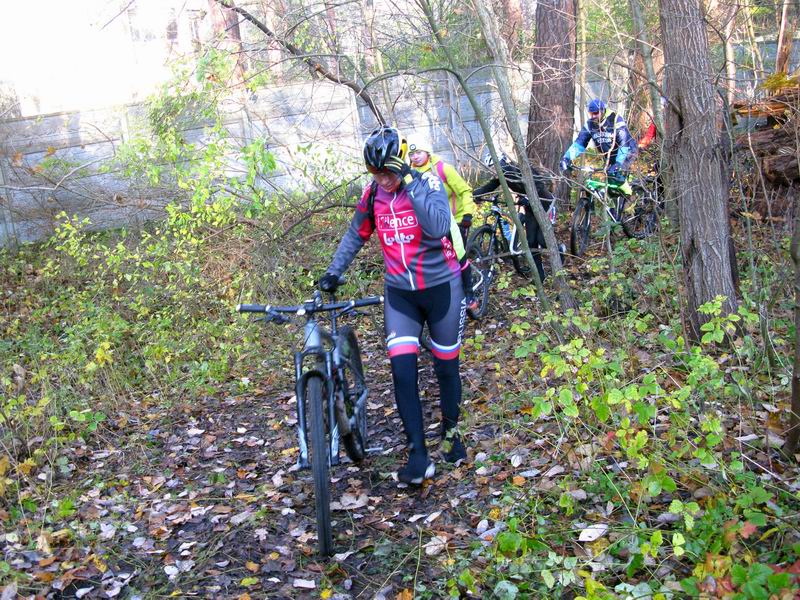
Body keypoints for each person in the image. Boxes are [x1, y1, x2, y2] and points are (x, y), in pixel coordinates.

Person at [318, 126, 467, 485]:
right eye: (375, 172)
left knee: (446, 368)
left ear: (400, 163)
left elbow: (437, 226)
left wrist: (410, 182)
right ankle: (418, 454)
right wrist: (334, 271)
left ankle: (451, 434)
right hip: (400, 295)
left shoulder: (428, 184)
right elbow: (356, 233)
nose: (382, 179)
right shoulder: (373, 195)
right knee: (402, 371)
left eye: (387, 171)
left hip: (442, 289)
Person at [408, 138, 479, 312]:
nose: (415, 157)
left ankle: (469, 293)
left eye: (419, 152)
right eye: (411, 154)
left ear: (427, 152)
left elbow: (465, 191)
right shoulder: (408, 174)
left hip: (456, 220)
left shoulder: (443, 169)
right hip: (429, 225)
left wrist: (467, 214)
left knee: (458, 255)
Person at [473, 150, 562, 282]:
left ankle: (560, 253)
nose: (494, 171)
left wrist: (528, 198)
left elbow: (539, 185)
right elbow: (490, 186)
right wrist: (476, 194)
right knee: (531, 242)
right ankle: (540, 276)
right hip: (531, 210)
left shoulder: (518, 169)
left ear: (502, 163)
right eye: (491, 168)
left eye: (495, 166)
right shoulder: (502, 175)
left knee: (543, 240)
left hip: (545, 206)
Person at [560, 98, 638, 195]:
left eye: (596, 113)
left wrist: (618, 163)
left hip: (627, 152)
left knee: (616, 177)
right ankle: (614, 204)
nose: (593, 116)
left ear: (602, 110)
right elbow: (580, 143)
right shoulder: (590, 125)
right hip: (610, 155)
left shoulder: (615, 119)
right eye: (591, 113)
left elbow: (623, 143)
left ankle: (630, 197)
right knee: (611, 189)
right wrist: (567, 158)